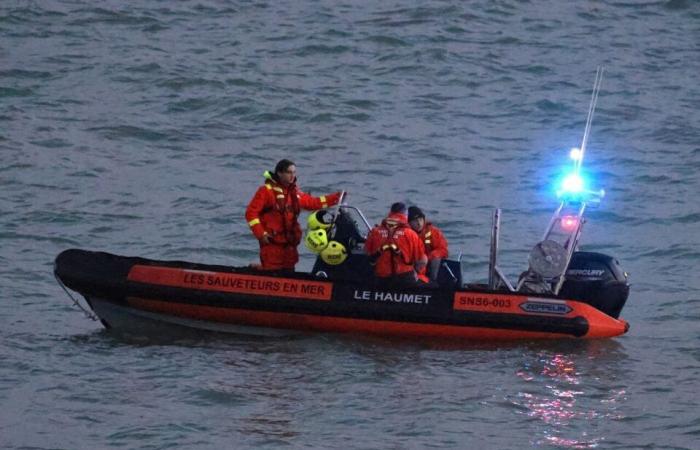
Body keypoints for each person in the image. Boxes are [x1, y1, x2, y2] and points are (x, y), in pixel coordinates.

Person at [246, 159, 342, 271]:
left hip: (289, 245)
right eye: (289, 172)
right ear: (279, 173)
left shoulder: (294, 192)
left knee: (289, 271)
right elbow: (251, 213)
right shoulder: (266, 191)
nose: (292, 176)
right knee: (273, 272)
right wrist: (261, 234)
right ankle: (258, 271)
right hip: (272, 243)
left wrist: (337, 197)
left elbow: (313, 203)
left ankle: (258, 269)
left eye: (294, 172)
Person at [364, 202, 427, 285]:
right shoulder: (411, 234)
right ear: (405, 215)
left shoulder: (375, 231)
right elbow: (421, 260)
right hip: (405, 278)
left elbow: (367, 252)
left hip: (381, 279)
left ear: (390, 213)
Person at [408, 206, 449, 282]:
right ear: (409, 223)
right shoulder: (406, 233)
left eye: (420, 219)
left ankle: (433, 283)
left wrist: (428, 257)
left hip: (429, 264)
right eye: (415, 220)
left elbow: (444, 250)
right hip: (413, 265)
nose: (419, 223)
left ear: (424, 219)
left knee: (436, 259)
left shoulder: (433, 231)